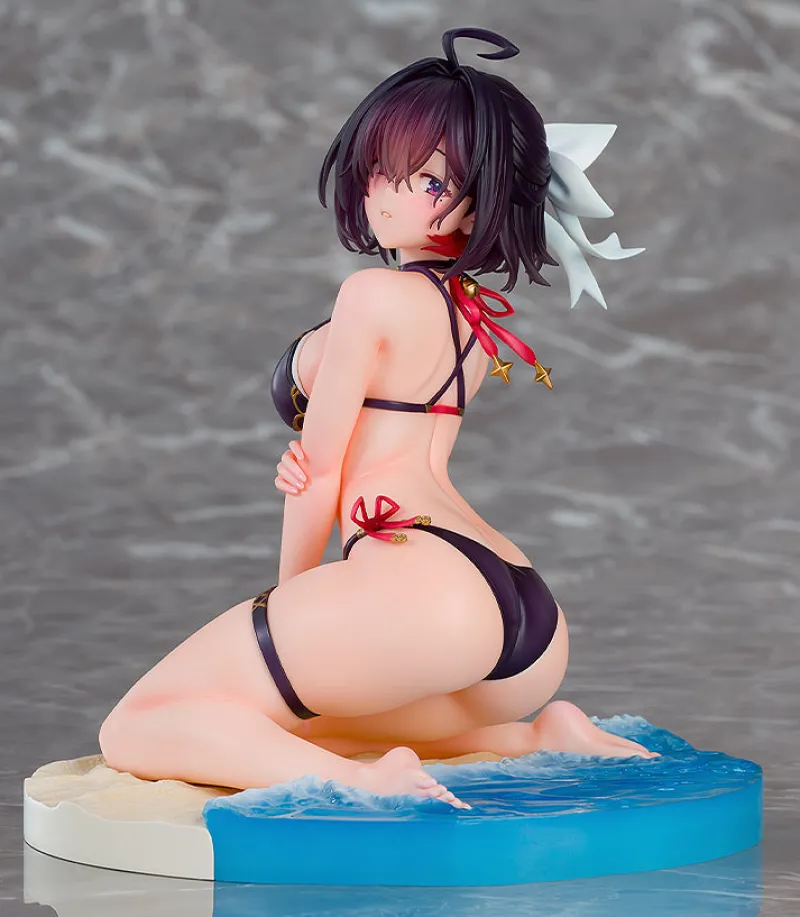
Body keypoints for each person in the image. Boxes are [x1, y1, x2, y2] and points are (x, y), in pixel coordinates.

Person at [99, 28, 654, 811]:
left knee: (138, 725)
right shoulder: (472, 315)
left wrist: (293, 604)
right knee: (295, 727)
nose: (384, 193)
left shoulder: (370, 294)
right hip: (523, 613)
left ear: (480, 200)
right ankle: (535, 733)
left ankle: (366, 782)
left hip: (419, 586)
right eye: (380, 169)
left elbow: (322, 468)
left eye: (425, 180)